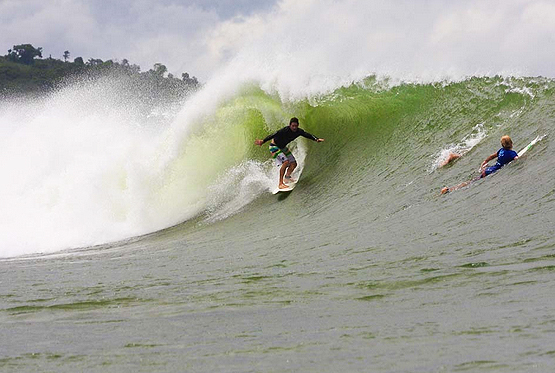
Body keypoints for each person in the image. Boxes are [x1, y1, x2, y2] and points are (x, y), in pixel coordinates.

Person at [255, 117, 324, 189]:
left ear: (298, 125)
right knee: (286, 162)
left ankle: (287, 177)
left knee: (294, 163)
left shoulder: (299, 131)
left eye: (296, 126)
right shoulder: (285, 130)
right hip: (274, 147)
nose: (294, 128)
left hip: (282, 147)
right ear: (289, 125)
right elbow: (273, 134)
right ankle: (280, 183)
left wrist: (316, 139)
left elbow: (307, 134)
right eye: (293, 126)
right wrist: (263, 141)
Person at [441, 135, 518, 194]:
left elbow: (492, 156)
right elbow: (516, 158)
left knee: (472, 180)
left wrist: (485, 161)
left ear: (502, 145)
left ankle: (450, 189)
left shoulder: (501, 150)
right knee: (470, 182)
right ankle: (449, 189)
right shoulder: (512, 153)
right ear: (511, 143)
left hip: (489, 169)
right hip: (492, 171)